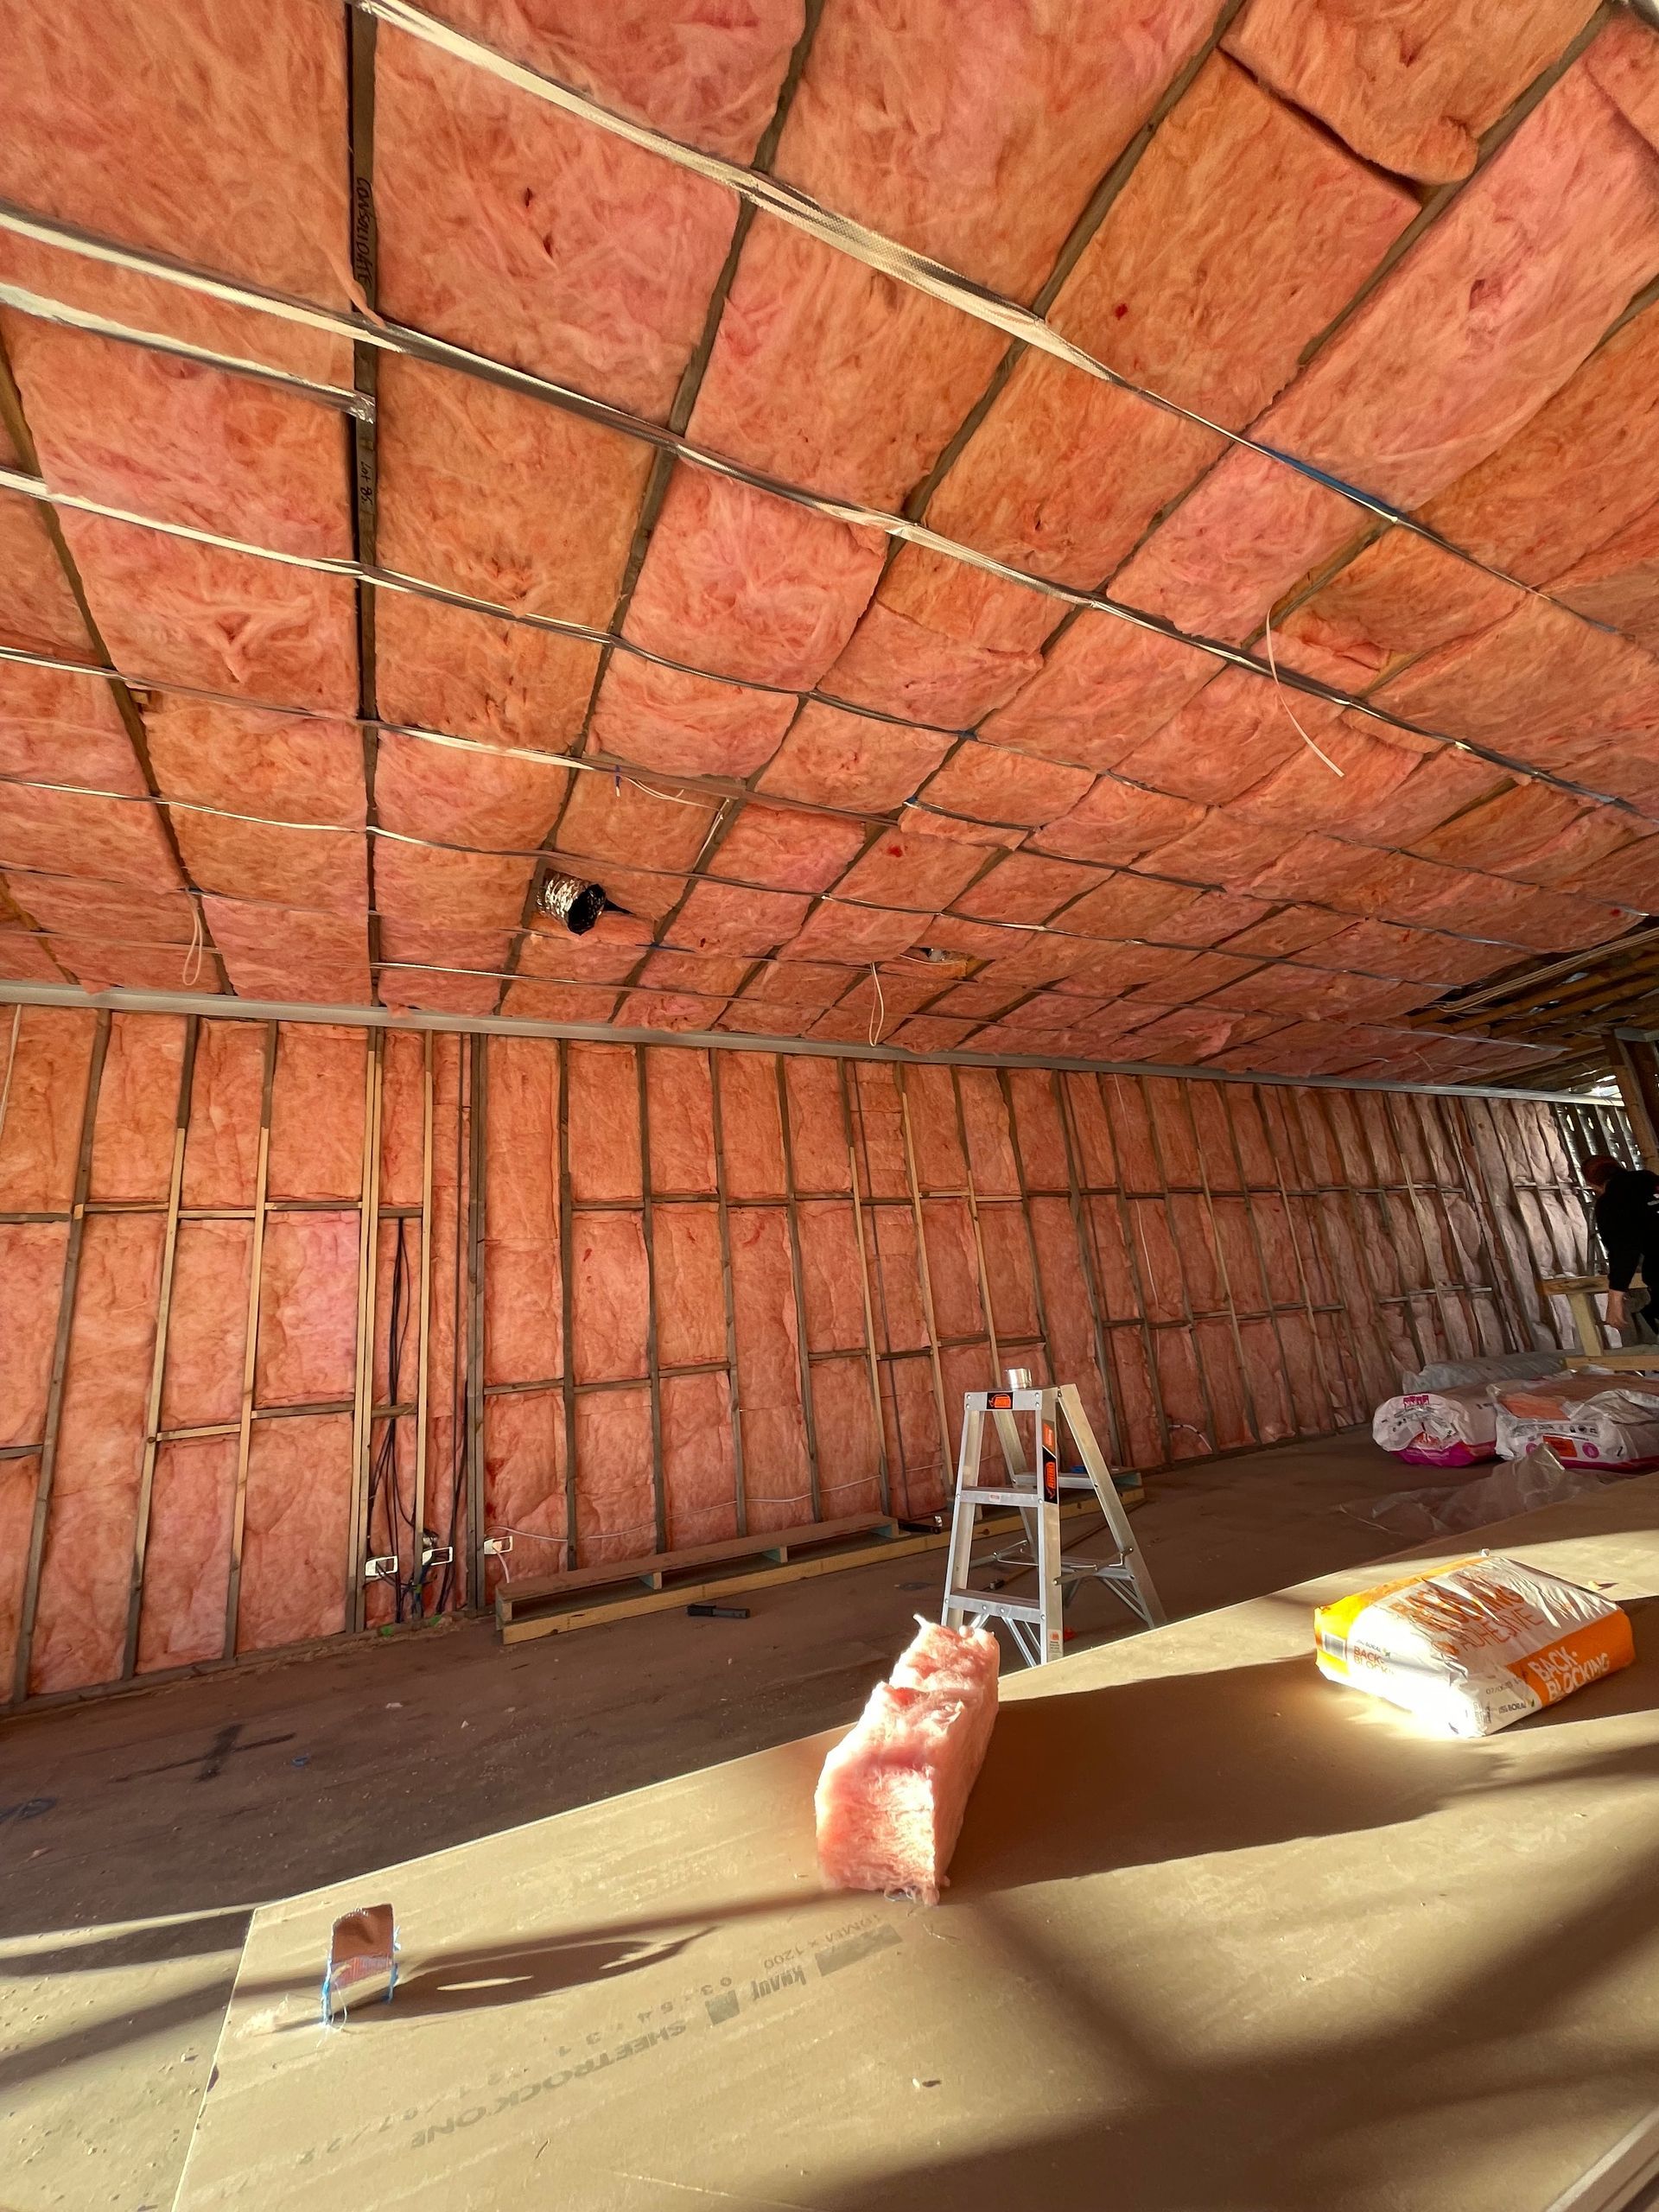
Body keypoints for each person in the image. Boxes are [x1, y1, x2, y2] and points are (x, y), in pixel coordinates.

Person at [1584, 1154, 1659, 1333]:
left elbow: (1624, 1249)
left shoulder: (1611, 1201)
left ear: (1593, 1184)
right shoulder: (1650, 1180)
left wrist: (1615, 1298)